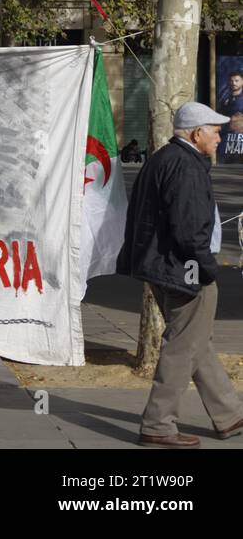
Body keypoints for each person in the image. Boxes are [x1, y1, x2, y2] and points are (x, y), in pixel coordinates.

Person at [117, 102, 243, 448]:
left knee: (195, 341)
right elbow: (189, 232)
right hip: (183, 268)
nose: (221, 137)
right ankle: (158, 424)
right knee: (183, 346)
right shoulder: (186, 166)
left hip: (163, 266)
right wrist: (206, 268)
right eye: (215, 132)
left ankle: (229, 413)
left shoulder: (164, 158)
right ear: (196, 133)